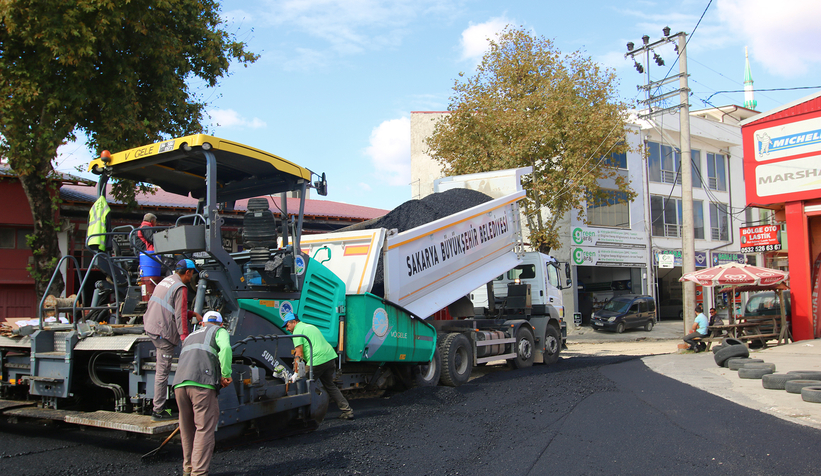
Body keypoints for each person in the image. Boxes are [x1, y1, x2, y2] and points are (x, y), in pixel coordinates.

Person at [173, 310, 232, 476]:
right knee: (204, 428)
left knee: (186, 428)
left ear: (202, 323)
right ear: (221, 324)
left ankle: (188, 469)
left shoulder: (191, 335)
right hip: (202, 384)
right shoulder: (219, 331)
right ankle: (198, 473)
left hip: (179, 384)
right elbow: (226, 349)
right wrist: (225, 374)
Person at [144, 259, 202, 420]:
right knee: (163, 372)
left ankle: (160, 405)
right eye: (192, 274)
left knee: (161, 368)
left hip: (152, 326)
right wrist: (185, 339)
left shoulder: (167, 281)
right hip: (163, 332)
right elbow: (180, 316)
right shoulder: (181, 288)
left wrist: (193, 314)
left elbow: (172, 306)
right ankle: (159, 410)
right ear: (188, 272)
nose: (192, 278)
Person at [283, 312, 353, 420]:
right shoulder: (310, 326)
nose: (287, 329)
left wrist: (296, 373)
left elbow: (299, 354)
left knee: (300, 384)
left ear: (293, 322)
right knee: (330, 385)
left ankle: (301, 416)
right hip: (330, 358)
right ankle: (347, 411)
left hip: (317, 360)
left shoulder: (297, 331)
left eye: (287, 325)